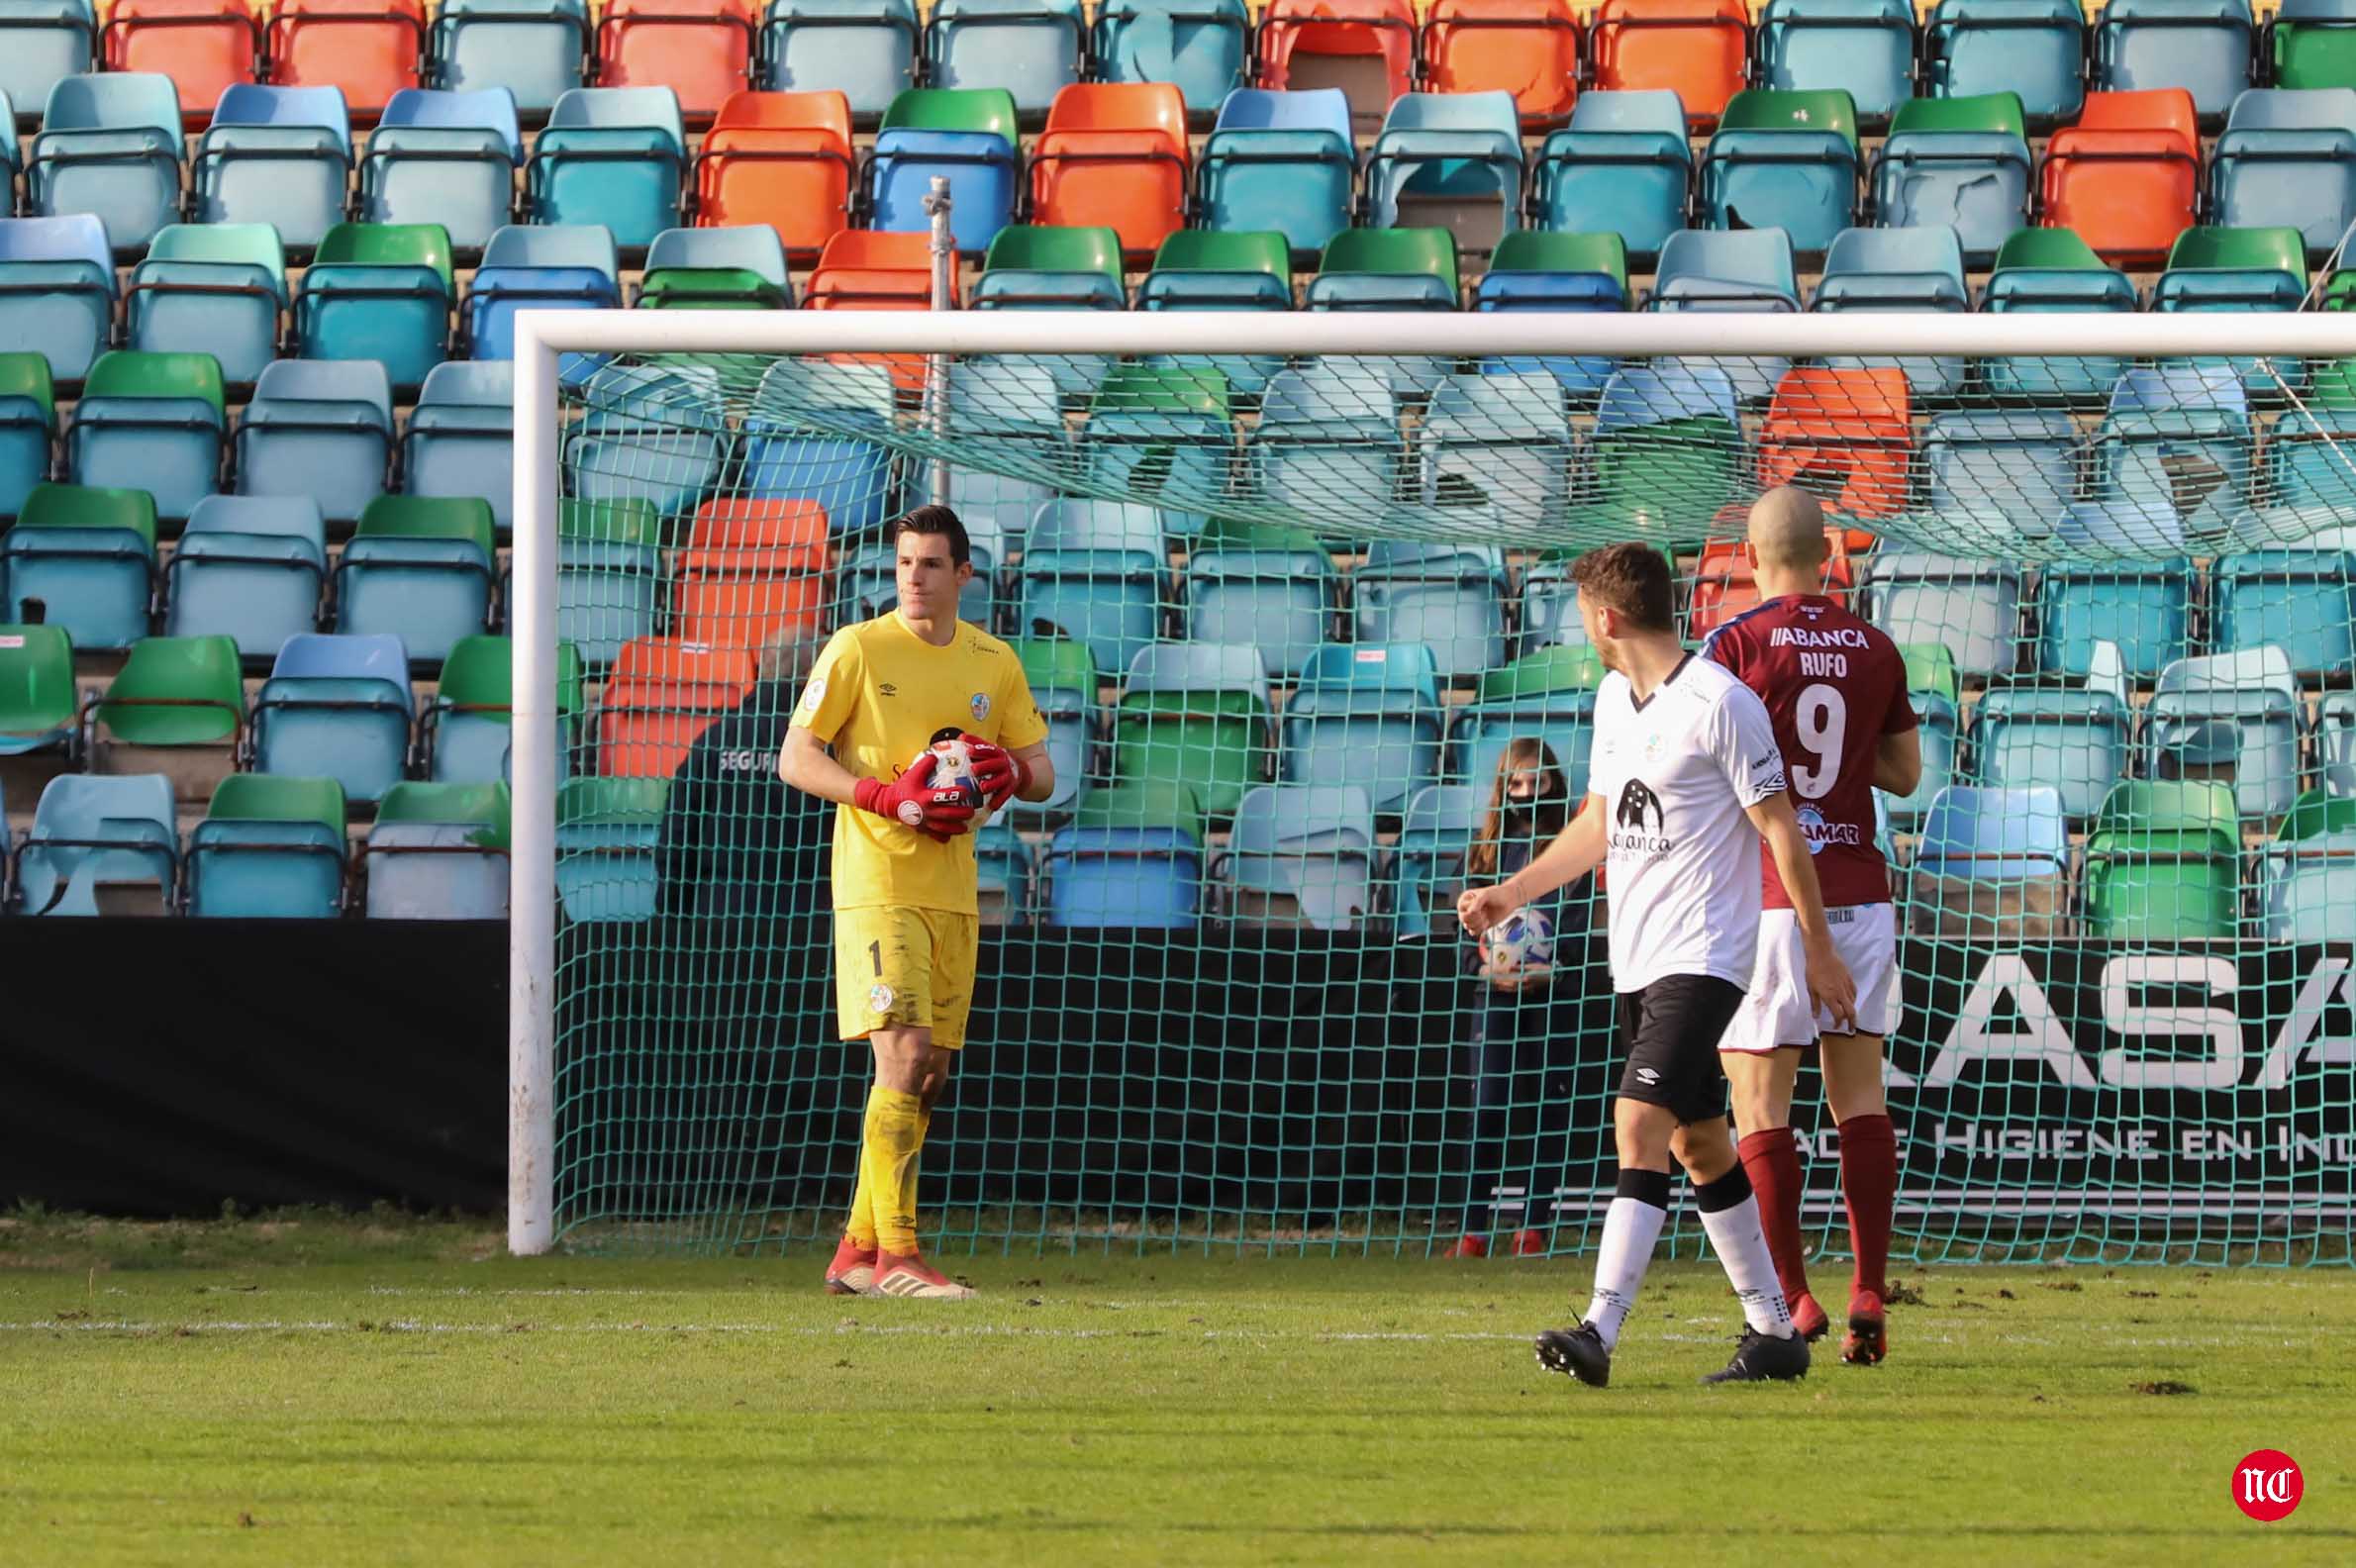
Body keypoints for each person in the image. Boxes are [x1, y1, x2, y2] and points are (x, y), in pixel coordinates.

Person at [1457, 540, 1856, 1387]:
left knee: (1635, 1124)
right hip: (1634, 961)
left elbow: (1781, 828)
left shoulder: (1721, 701)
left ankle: (1600, 1329)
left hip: (1707, 955)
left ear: (1605, 618)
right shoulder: (1612, 699)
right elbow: (1600, 824)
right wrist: (1512, 892)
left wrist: (1818, 950)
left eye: (1581, 616)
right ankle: (1774, 1332)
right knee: (1699, 1143)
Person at [779, 504, 1054, 1300]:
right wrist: (882, 795)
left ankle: (855, 1253)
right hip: (877, 884)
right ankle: (900, 1258)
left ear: (964, 574)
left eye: (931, 564)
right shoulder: (859, 648)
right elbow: (797, 756)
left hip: (953, 892)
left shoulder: (993, 661)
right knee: (899, 1054)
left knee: (927, 1071)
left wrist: (1007, 771)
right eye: (904, 563)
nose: (914, 579)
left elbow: (1042, 772)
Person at [1700, 487, 1920, 1366]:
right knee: (1858, 1097)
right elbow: (1902, 774)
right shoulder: (1874, 645)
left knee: (1760, 1105)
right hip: (1861, 892)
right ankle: (1870, 1282)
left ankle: (1794, 1299)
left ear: (1751, 558)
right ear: (1830, 553)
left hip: (1767, 900)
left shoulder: (1733, 645)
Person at [653, 633, 834, 1190]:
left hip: (721, 930)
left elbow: (675, 843)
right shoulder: (829, 751)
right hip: (811, 935)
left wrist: (674, 924)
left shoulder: (715, 741)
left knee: (725, 1064)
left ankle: (723, 1180)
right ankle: (811, 1178)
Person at [1442, 737, 1584, 1259]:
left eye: (1536, 782)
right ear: (1503, 788)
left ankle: (1532, 1225)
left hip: (1554, 998)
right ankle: (1473, 1229)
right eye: (1516, 783)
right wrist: (1484, 967)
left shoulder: (1568, 852)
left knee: (1547, 1106)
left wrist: (1553, 969)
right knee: (1488, 1106)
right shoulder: (1481, 855)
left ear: (1553, 784)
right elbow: (1460, 932)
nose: (1526, 793)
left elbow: (1578, 925)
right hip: (1494, 999)